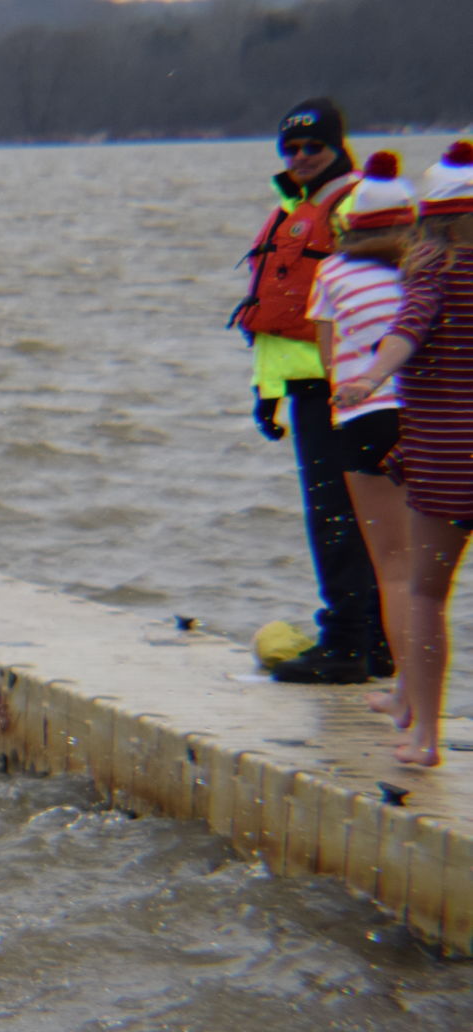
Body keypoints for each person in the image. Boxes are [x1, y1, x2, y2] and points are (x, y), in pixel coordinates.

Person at [229, 98, 386, 684]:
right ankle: (374, 641)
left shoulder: (351, 206)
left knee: (337, 516)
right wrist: (265, 393)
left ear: (337, 146)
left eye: (312, 146)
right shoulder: (294, 210)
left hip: (344, 388)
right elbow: (279, 320)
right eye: (290, 148)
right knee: (343, 514)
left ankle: (348, 643)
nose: (299, 157)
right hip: (304, 385)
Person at [333, 142, 473, 766]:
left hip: (447, 458)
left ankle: (424, 737)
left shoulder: (435, 271)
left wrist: (367, 378)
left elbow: (406, 333)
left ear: (430, 219)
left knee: (423, 595)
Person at [307, 152, 418, 725]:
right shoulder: (429, 271)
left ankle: (408, 696)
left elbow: (329, 357)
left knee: (395, 569)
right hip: (431, 419)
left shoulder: (331, 273)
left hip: (366, 417)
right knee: (431, 573)